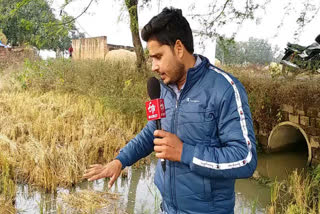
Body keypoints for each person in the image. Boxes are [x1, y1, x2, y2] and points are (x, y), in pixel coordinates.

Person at [83, 7, 257, 214]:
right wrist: (120, 160)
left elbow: (245, 159)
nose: (154, 67)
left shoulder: (225, 89)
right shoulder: (162, 89)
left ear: (179, 48)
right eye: (151, 59)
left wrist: (185, 152)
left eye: (158, 57)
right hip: (168, 208)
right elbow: (152, 133)